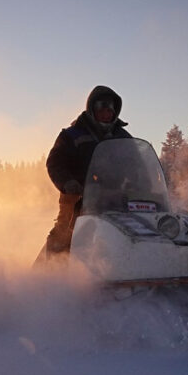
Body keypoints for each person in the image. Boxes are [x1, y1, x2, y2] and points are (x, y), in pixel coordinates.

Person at [45, 85, 132, 256]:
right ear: (92, 109)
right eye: (102, 109)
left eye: (110, 110)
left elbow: (137, 164)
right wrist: (67, 182)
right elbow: (55, 163)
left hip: (115, 197)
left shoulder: (123, 137)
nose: (106, 114)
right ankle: (51, 268)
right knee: (65, 231)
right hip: (78, 195)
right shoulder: (72, 134)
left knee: (133, 230)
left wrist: (144, 186)